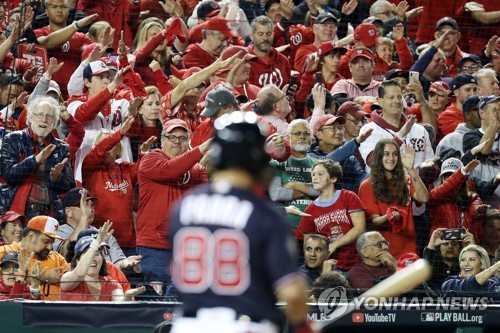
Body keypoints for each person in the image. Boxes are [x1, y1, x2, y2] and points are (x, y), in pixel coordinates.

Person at [169, 111, 312, 333]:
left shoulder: (183, 207)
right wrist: (304, 327)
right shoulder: (263, 214)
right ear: (257, 158)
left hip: (188, 326)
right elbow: (292, 293)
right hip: (244, 325)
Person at [136, 119, 210, 295]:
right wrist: (202, 148)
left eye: (182, 138)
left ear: (188, 141)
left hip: (185, 245)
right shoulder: (150, 159)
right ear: (162, 140)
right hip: (155, 244)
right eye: (171, 137)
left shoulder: (197, 169)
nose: (177, 141)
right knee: (156, 300)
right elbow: (171, 170)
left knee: (183, 296)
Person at [82, 117, 155, 254]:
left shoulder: (126, 169)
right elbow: (99, 151)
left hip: (128, 243)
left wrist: (143, 155)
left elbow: (143, 172)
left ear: (118, 150)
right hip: (99, 241)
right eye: (103, 145)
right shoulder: (89, 168)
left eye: (112, 146)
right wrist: (119, 133)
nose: (107, 149)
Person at [0, 96, 74, 221]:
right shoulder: (13, 139)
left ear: (54, 122)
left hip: (49, 215)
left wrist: (56, 177)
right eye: (40, 115)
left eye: (49, 117)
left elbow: (67, 187)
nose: (44, 120)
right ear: (31, 117)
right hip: (17, 214)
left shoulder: (61, 148)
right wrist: (35, 160)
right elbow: (9, 175)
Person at [358, 139, 429, 259]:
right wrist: (389, 216)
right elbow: (374, 221)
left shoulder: (406, 180)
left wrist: (411, 169)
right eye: (386, 154)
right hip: (383, 252)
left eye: (395, 154)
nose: (391, 158)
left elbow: (424, 198)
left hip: (409, 250)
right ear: (379, 157)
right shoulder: (367, 185)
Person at [296, 160, 365, 272]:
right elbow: (308, 244)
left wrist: (334, 244)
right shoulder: (310, 209)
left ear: (333, 178)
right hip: (326, 267)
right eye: (313, 174)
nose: (315, 177)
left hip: (353, 265)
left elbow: (359, 228)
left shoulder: (348, 197)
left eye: (320, 174)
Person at [60, 221, 145, 301]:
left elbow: (120, 309)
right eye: (87, 254)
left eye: (97, 254)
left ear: (102, 259)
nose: (93, 258)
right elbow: (78, 275)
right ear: (77, 260)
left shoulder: (111, 284)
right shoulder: (67, 276)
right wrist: (97, 242)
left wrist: (127, 297)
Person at [34, 0, 97, 98]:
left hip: (74, 95)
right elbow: (48, 42)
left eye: (63, 7)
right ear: (46, 11)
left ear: (69, 10)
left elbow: (91, 52)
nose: (59, 10)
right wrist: (76, 25)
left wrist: (101, 42)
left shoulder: (81, 37)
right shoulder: (39, 33)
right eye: (54, 7)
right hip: (47, 95)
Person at [0, 215, 69, 301]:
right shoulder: (4, 252)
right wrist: (44, 278)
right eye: (46, 241)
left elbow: (72, 284)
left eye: (52, 243)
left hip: (55, 312)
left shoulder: (57, 258)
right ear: (31, 236)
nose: (50, 247)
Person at [268, 119, 318, 230]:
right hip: (285, 225)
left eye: (306, 133)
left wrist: (293, 185)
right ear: (288, 137)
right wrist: (309, 189)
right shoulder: (276, 163)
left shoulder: (318, 164)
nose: (302, 137)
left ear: (311, 138)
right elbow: (275, 194)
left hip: (314, 225)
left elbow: (320, 191)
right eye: (297, 133)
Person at [428, 158, 487, 241]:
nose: (450, 178)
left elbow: (476, 208)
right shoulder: (434, 195)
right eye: (446, 175)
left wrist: (479, 211)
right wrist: (463, 172)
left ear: (463, 180)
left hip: (465, 245)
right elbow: (448, 186)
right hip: (441, 245)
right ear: (441, 178)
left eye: (452, 175)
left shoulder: (472, 196)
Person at [247, 16, 291, 89]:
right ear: (251, 36)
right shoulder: (245, 61)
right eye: (260, 34)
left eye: (268, 34)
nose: (265, 38)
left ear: (273, 35)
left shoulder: (283, 61)